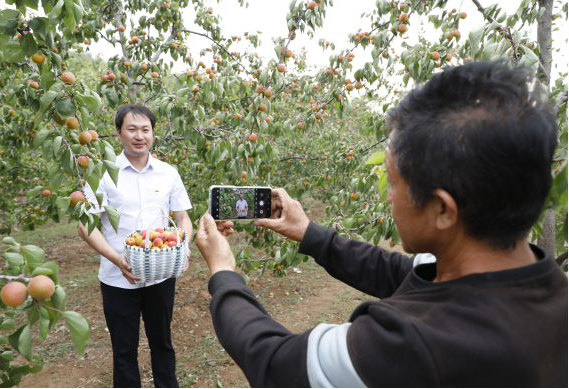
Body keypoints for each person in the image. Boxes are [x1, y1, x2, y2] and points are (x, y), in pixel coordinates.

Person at [195, 62, 568, 387]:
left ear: (443, 209)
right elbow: (400, 273)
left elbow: (275, 362)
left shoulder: (412, 345)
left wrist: (223, 272)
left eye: (393, 181)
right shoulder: (539, 283)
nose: (388, 196)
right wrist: (309, 234)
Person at [78, 105, 193, 388]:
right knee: (124, 351)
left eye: (145, 129)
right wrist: (117, 258)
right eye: (131, 129)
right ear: (119, 133)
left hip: (161, 275)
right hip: (118, 279)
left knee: (162, 344)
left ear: (153, 133)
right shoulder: (103, 174)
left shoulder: (168, 173)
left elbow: (182, 218)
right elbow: (85, 225)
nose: (139, 136)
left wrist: (184, 246)